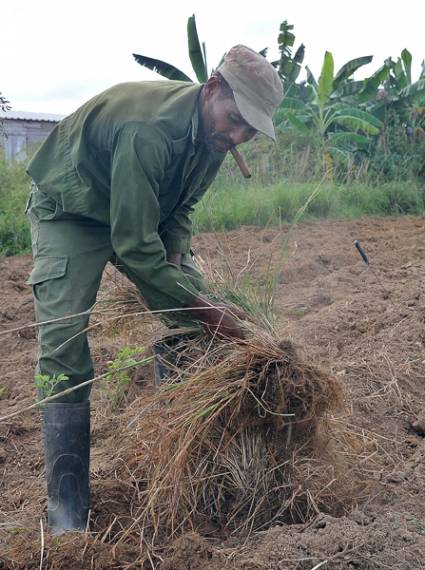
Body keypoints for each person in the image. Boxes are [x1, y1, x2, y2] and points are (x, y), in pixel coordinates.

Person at [25, 44, 283, 534]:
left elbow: (180, 211)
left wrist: (178, 268)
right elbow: (134, 246)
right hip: (73, 208)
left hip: (139, 212)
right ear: (211, 90)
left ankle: (197, 477)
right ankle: (67, 516)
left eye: (249, 129)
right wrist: (205, 308)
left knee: (194, 323)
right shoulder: (148, 129)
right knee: (62, 341)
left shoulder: (214, 138)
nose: (237, 136)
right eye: (234, 120)